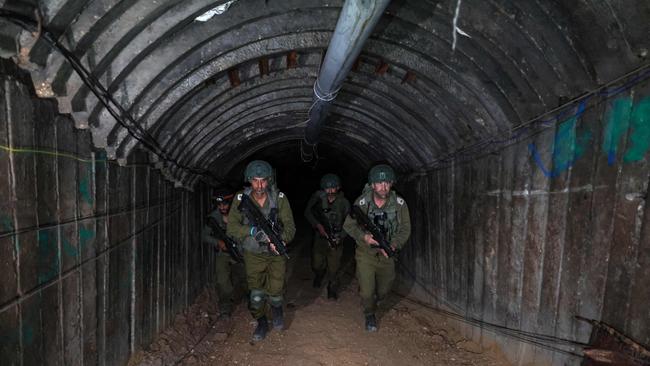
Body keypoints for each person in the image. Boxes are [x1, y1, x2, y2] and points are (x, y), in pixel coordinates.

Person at [226, 160, 296, 341]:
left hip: (275, 254)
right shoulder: (241, 199)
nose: (259, 185)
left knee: (276, 291)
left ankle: (277, 309)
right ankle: (262, 322)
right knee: (256, 294)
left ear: (269, 180)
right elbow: (231, 228)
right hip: (253, 254)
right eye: (255, 180)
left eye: (263, 180)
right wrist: (251, 231)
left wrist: (281, 239)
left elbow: (290, 227)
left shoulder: (279, 198)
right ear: (249, 180)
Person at [343, 164, 411, 332]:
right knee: (367, 292)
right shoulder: (362, 203)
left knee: (384, 289)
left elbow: (405, 229)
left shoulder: (399, 204)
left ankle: (377, 301)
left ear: (391, 184)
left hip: (387, 254)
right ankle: (369, 314)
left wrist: (393, 244)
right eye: (379, 183)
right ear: (372, 185)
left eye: (387, 183)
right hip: (366, 253)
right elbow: (348, 225)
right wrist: (364, 237)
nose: (383, 187)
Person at [201, 188, 246, 320]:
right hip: (223, 253)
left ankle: (249, 298)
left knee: (246, 279)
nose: (222, 207)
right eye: (219, 204)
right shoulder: (214, 217)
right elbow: (204, 236)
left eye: (225, 204)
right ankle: (225, 308)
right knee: (222, 281)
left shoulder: (241, 215)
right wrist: (218, 242)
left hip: (240, 253)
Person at [304, 173, 350, 300]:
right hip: (320, 236)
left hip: (336, 238)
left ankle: (332, 287)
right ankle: (319, 274)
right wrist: (318, 225)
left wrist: (340, 236)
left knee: (334, 266)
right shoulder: (318, 198)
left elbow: (350, 223)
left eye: (333, 188)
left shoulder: (344, 203)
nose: (330, 191)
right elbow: (308, 212)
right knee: (317, 263)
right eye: (327, 188)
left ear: (338, 188)